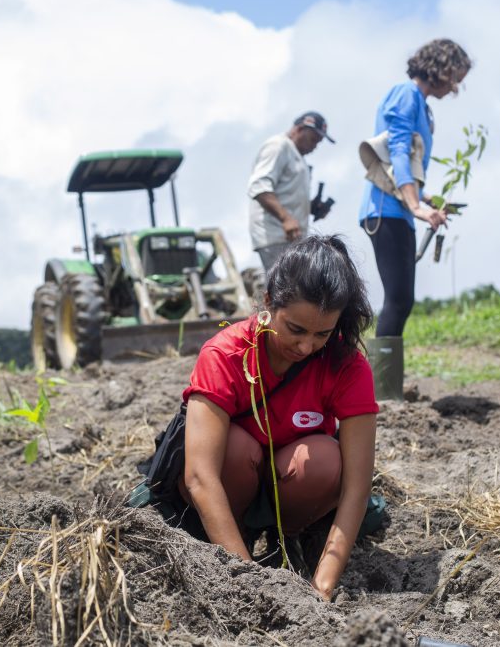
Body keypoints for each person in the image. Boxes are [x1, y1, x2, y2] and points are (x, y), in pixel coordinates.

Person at [179, 235, 378, 599]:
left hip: (293, 489)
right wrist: (246, 584)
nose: (306, 347)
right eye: (296, 330)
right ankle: (231, 542)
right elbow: (198, 475)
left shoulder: (347, 366)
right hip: (228, 484)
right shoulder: (225, 355)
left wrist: (324, 586)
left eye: (323, 333)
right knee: (236, 448)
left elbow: (356, 486)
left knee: (324, 459)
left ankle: (290, 539)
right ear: (269, 301)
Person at [358, 39, 471, 337]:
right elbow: (398, 152)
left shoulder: (421, 103)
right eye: (456, 78)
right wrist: (416, 206)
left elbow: (406, 165)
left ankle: (389, 382)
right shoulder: (406, 94)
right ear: (442, 69)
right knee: (398, 300)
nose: (456, 87)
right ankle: (383, 384)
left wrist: (425, 198)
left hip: (400, 210)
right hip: (386, 210)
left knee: (402, 301)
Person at [248, 112, 336, 272]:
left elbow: (286, 196)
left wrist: (311, 207)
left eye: (318, 142)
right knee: (286, 289)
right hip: (275, 235)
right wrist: (286, 218)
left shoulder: (297, 156)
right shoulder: (278, 146)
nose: (315, 146)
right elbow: (259, 186)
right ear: (299, 129)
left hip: (290, 237)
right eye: (313, 139)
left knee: (293, 288)